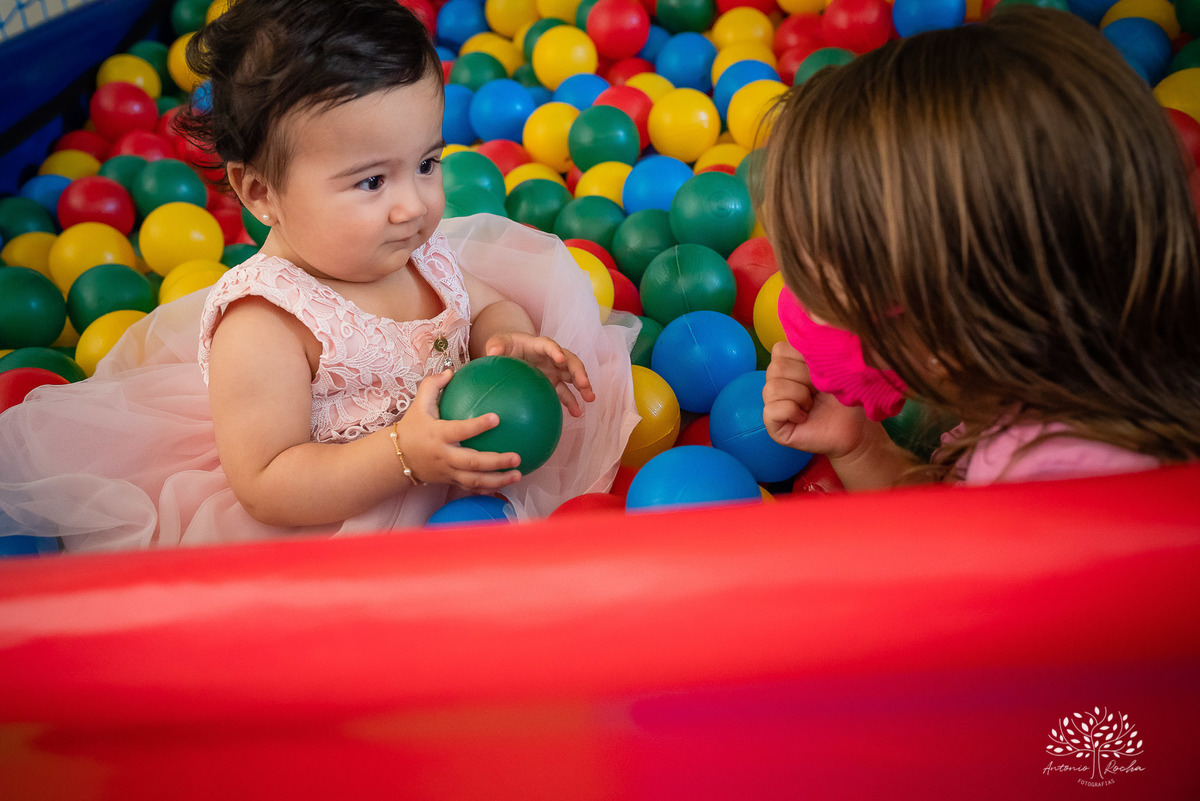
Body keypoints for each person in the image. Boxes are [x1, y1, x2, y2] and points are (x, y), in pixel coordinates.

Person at [0, 0, 639, 550]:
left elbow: (487, 303)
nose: (412, 204)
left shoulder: (414, 248)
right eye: (370, 180)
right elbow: (268, 484)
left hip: (458, 479)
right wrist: (403, 457)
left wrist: (505, 340)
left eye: (426, 163)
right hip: (342, 510)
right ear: (260, 193)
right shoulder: (265, 324)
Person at [761, 6, 1200, 489]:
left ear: (946, 316)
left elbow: (942, 559)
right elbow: (951, 524)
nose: (795, 305)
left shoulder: (1049, 479)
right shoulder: (1072, 385)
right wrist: (861, 445)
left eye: (819, 291)